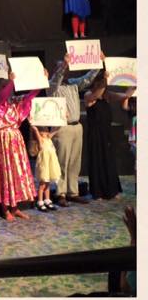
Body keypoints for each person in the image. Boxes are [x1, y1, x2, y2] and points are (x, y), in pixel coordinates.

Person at [48, 53, 102, 206]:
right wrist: (63, 65)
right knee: (62, 161)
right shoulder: (52, 85)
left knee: (74, 162)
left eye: (67, 68)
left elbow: (87, 79)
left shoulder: (72, 84)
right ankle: (60, 193)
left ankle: (73, 192)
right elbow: (57, 78)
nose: (66, 70)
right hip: (62, 127)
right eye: (62, 68)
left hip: (76, 126)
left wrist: (98, 64)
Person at [0, 71, 42, 222]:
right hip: (2, 140)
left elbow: (30, 96)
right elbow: (3, 96)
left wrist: (41, 81)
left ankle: (15, 207)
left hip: (15, 139)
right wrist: (11, 82)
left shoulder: (14, 100)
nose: (8, 89)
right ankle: (5, 209)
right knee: (4, 174)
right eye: (4, 86)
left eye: (9, 86)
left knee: (16, 173)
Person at [84, 71, 133, 200]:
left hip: (106, 133)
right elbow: (96, 95)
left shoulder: (107, 95)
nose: (101, 84)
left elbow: (125, 96)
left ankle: (112, 190)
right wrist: (105, 81)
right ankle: (98, 192)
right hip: (95, 134)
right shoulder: (89, 95)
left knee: (109, 160)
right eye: (99, 82)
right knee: (97, 161)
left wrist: (133, 85)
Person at [29, 125, 61, 212]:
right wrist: (35, 129)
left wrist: (59, 125)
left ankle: (47, 200)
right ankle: (40, 201)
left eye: (47, 130)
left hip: (50, 164)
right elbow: (36, 132)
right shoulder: (41, 141)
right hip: (44, 165)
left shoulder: (48, 139)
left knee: (48, 183)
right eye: (44, 131)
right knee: (42, 184)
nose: (47, 132)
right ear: (40, 133)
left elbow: (54, 131)